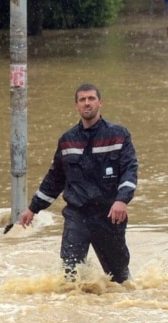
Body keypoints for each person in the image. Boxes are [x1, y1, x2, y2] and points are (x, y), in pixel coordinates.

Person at [17, 84, 138, 283]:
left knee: (120, 279)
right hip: (77, 215)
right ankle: (73, 309)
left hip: (109, 215)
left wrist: (122, 200)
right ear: (76, 106)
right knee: (70, 274)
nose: (87, 103)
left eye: (91, 98)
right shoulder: (67, 141)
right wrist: (33, 208)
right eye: (82, 100)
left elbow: (130, 169)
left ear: (100, 103)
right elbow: (55, 179)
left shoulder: (118, 135)